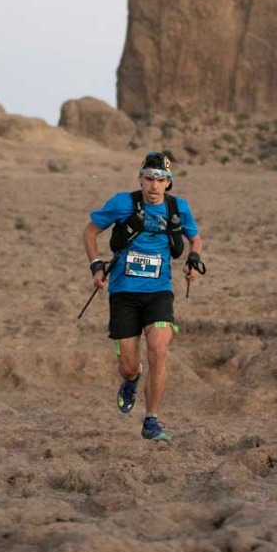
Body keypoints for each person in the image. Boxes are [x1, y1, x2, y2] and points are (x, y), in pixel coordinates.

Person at [82, 152, 203, 443]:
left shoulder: (179, 208)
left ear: (168, 183)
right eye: (148, 178)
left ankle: (152, 421)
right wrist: (96, 265)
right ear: (140, 179)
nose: (153, 186)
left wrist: (193, 260)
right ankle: (131, 380)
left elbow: (194, 239)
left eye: (160, 180)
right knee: (130, 365)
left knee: (159, 351)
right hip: (123, 292)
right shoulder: (122, 203)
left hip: (159, 292)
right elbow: (90, 231)